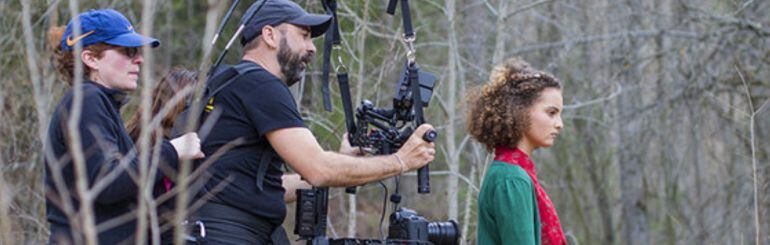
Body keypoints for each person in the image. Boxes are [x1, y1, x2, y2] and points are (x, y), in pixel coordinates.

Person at [190, 0, 436, 243]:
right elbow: (319, 170)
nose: (312, 47)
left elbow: (266, 187)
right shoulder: (262, 85)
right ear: (270, 35)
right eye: (304, 35)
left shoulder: (226, 81)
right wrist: (401, 160)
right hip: (229, 235)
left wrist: (347, 163)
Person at [45, 9, 204, 244]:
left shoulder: (98, 104)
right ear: (90, 59)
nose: (139, 59)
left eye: (138, 51)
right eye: (127, 51)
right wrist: (173, 150)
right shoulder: (87, 100)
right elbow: (108, 183)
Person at [467, 57, 566, 245]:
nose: (559, 124)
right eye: (551, 113)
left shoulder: (512, 173)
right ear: (520, 111)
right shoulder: (511, 179)